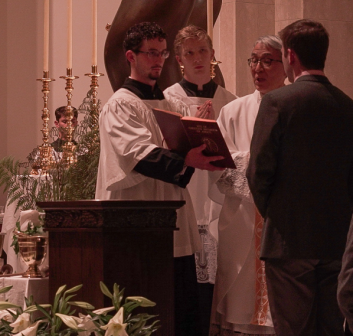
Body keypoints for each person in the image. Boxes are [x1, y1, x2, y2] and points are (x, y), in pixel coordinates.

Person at [95, 21, 224, 336]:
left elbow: (183, 155)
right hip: (135, 223)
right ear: (131, 56)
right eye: (151, 53)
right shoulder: (121, 105)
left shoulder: (173, 104)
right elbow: (138, 153)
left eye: (162, 54)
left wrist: (202, 143)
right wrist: (186, 159)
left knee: (179, 310)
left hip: (174, 220)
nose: (158, 60)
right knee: (141, 309)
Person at [247, 19, 353, 335]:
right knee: (331, 328)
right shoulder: (348, 107)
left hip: (288, 240)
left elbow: (258, 171)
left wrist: (276, 215)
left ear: (290, 56)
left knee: (293, 329)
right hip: (337, 238)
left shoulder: (277, 102)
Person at [211, 35, 286, 336]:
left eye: (268, 60)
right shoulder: (232, 111)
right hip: (243, 219)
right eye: (254, 60)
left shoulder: (294, 107)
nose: (258, 68)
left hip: (280, 218)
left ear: (286, 65)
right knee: (240, 309)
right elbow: (221, 167)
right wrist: (258, 163)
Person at [164, 26, 237, 334]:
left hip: (223, 200)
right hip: (187, 198)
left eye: (202, 51)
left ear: (212, 55)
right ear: (180, 59)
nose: (197, 58)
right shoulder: (169, 99)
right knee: (189, 283)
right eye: (189, 53)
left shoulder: (230, 101)